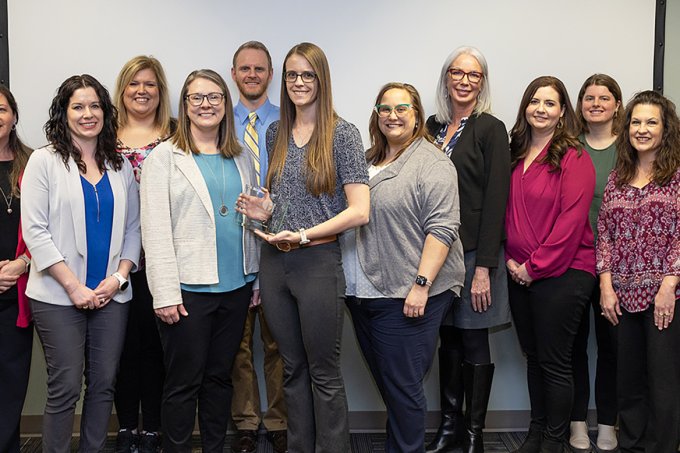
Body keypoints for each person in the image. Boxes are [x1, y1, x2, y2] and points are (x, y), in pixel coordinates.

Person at [238, 42, 369, 453]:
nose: (298, 82)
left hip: (317, 262)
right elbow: (288, 206)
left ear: (321, 79)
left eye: (307, 75)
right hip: (276, 263)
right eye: (292, 75)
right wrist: (267, 211)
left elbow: (360, 211)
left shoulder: (342, 133)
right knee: (291, 370)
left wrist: (306, 235)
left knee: (324, 374)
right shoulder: (276, 132)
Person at [140, 69, 259, 453]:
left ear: (226, 104)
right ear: (185, 105)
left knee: (219, 378)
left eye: (215, 98)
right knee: (182, 383)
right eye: (197, 98)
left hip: (236, 287)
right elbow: (154, 229)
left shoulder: (240, 156)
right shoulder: (165, 157)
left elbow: (248, 221)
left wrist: (254, 280)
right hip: (188, 291)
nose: (206, 105)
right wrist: (163, 293)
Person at [21, 74, 141, 452]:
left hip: (110, 296)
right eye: (78, 106)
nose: (88, 114)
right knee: (66, 386)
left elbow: (134, 230)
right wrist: (74, 286)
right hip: (58, 295)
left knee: (104, 384)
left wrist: (118, 279)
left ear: (105, 112)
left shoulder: (120, 165)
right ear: (64, 113)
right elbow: (35, 232)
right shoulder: (44, 161)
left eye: (95, 106)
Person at [344, 82, 464, 453]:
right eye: (385, 108)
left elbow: (442, 229)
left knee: (403, 389)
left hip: (405, 293)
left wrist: (421, 284)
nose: (392, 116)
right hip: (363, 293)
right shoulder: (366, 161)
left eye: (402, 109)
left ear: (416, 116)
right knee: (392, 387)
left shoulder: (433, 163)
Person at [425, 46, 511, 453]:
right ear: (446, 78)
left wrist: (484, 269)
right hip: (437, 253)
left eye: (473, 75)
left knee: (475, 339)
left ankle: (474, 434)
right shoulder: (430, 127)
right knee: (448, 339)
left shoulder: (490, 129)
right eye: (457, 73)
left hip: (476, 253)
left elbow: (497, 199)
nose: (464, 80)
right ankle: (449, 428)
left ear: (482, 82)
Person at [505, 76, 596, 453]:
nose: (540, 108)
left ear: (562, 113)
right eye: (534, 101)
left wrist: (533, 266)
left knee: (556, 361)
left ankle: (555, 442)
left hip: (564, 272)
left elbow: (571, 222)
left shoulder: (574, 156)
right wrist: (513, 261)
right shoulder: (515, 154)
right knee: (534, 357)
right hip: (519, 272)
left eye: (550, 103)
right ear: (525, 107)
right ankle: (536, 432)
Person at [597, 90, 680, 452]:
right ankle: (631, 444)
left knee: (662, 383)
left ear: (666, 129)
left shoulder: (677, 176)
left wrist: (669, 285)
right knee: (628, 381)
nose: (642, 129)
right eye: (636, 122)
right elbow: (604, 234)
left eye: (651, 122)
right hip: (622, 295)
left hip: (667, 298)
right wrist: (605, 285)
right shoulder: (617, 177)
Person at [112, 55, 175, 453]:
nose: (141, 91)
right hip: (114, 261)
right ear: (122, 90)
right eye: (134, 83)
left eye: (150, 84)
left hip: (161, 261)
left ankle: (152, 426)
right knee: (120, 348)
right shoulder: (104, 135)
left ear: (161, 91)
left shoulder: (175, 136)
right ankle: (125, 429)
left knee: (155, 347)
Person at [229, 41, 287, 453]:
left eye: (259, 69)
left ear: (270, 74)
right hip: (232, 244)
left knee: (279, 342)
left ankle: (281, 422)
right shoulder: (215, 120)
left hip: (280, 245)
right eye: (244, 69)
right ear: (234, 73)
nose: (252, 74)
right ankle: (246, 423)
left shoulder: (289, 122)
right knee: (238, 344)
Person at [569, 74, 623, 453]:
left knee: (612, 348)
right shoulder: (569, 147)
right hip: (572, 260)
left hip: (616, 268)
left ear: (617, 105)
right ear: (580, 105)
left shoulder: (631, 148)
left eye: (605, 97)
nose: (596, 103)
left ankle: (607, 423)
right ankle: (576, 423)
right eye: (589, 97)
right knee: (571, 347)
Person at [0, 85, 33, 453]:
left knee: (11, 381)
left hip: (22, 286)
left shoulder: (33, 163)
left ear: (14, 115)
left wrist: (22, 263)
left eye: (1, 108)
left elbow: (51, 225)